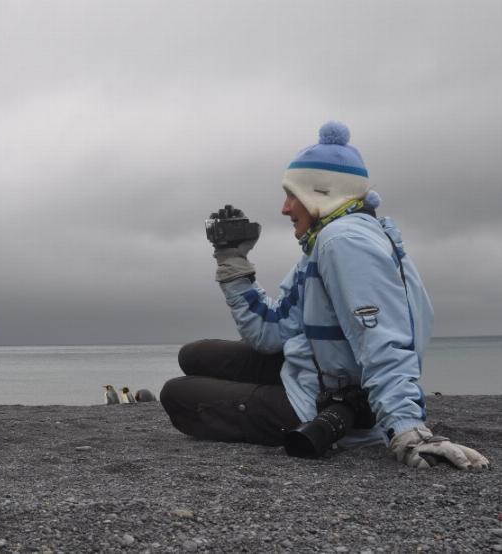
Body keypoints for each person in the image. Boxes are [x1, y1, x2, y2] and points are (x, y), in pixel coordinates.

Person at [160, 122, 489, 470]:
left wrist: (408, 431)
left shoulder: (344, 243)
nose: (285, 208)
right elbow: (270, 332)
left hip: (325, 403)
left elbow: (383, 343)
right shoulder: (327, 242)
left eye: (292, 195)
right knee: (193, 355)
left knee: (177, 394)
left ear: (320, 193)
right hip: (316, 369)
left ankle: (338, 418)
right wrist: (232, 259)